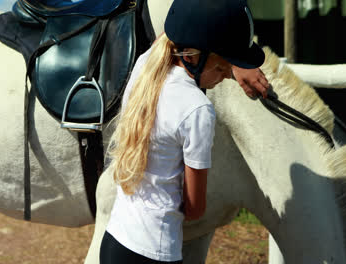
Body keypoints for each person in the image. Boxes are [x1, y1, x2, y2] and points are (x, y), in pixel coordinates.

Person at [99, 0, 267, 263]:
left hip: (115, 240)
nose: (225, 77)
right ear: (192, 55)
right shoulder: (197, 109)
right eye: (222, 68)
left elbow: (172, 33)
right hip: (155, 251)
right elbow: (195, 207)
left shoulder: (146, 65)